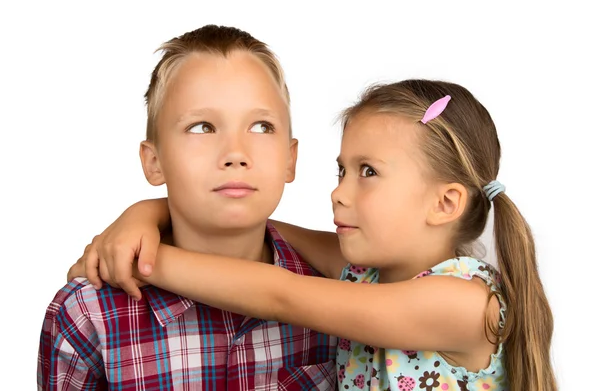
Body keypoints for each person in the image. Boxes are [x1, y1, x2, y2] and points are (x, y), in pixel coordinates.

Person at [71, 79, 557, 390]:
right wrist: (146, 214)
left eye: (368, 172)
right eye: (341, 170)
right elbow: (257, 220)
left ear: (445, 203)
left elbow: (280, 295)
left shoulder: (461, 304)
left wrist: (143, 260)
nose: (338, 194)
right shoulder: (369, 274)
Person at [38, 24, 338, 390]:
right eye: (202, 127)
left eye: (261, 126)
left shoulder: (342, 295)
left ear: (290, 160)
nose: (235, 154)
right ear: (154, 162)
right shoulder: (88, 314)